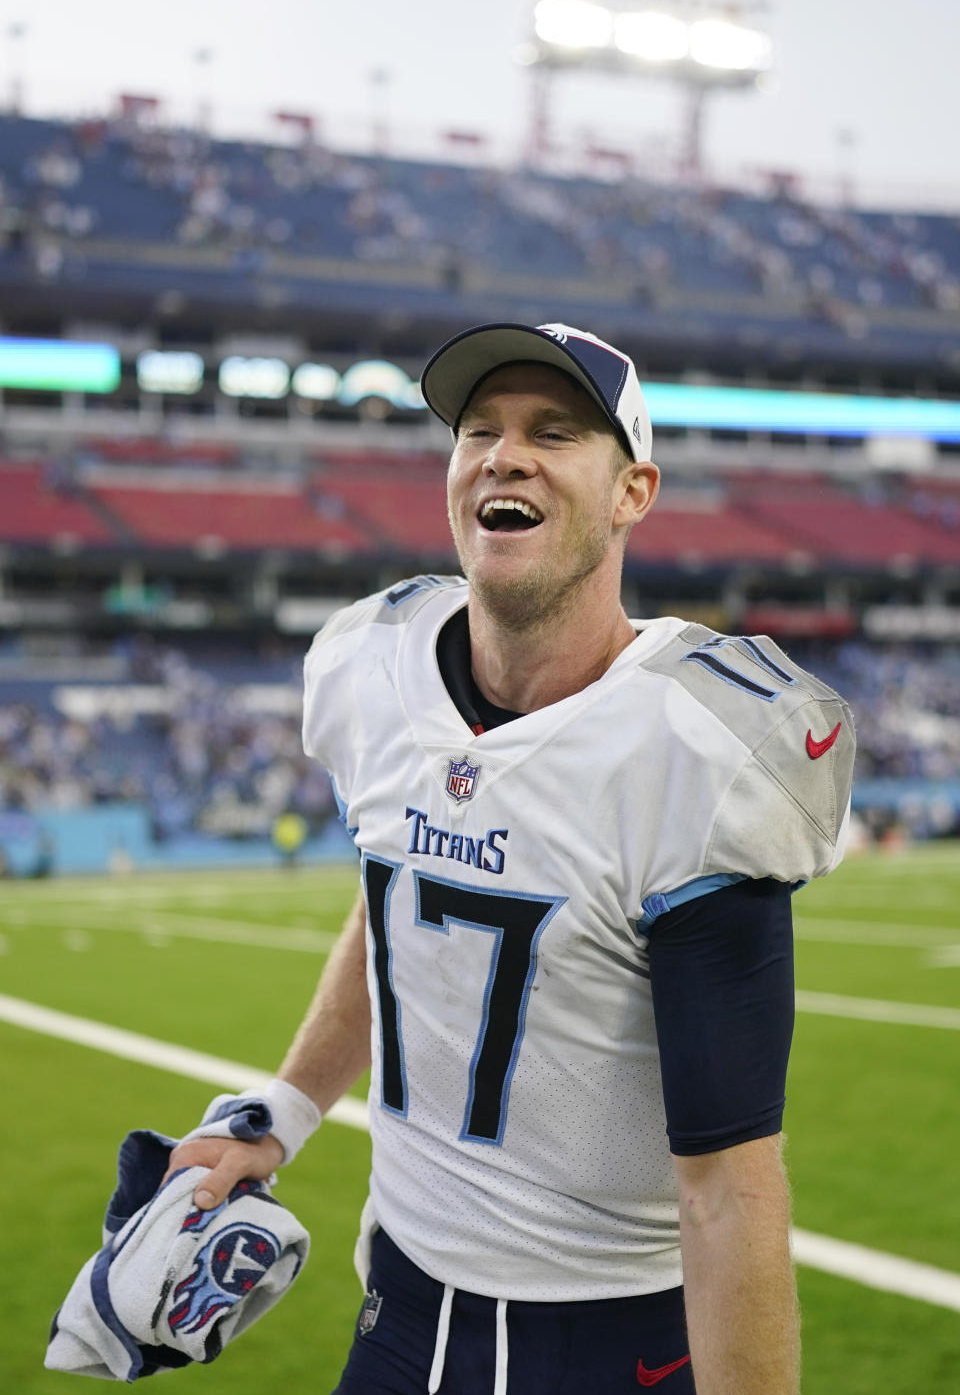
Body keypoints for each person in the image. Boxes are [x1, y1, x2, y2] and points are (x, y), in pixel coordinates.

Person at [166, 322, 855, 1395]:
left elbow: (728, 1187)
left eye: (554, 431)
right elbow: (396, 898)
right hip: (396, 1309)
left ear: (633, 493)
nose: (504, 453)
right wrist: (285, 1111)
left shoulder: (694, 745)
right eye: (478, 429)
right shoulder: (371, 663)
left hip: (606, 1342)